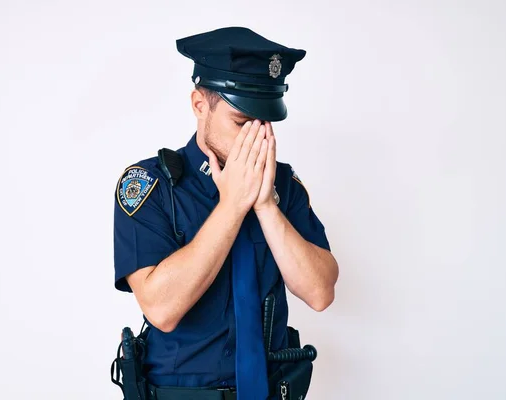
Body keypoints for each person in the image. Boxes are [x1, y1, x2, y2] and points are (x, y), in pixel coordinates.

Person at [113, 27, 339, 400]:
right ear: (200, 105)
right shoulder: (150, 185)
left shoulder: (283, 184)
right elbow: (161, 308)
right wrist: (232, 205)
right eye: (240, 121)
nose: (255, 137)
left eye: (263, 122)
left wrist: (265, 205)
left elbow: (320, 292)